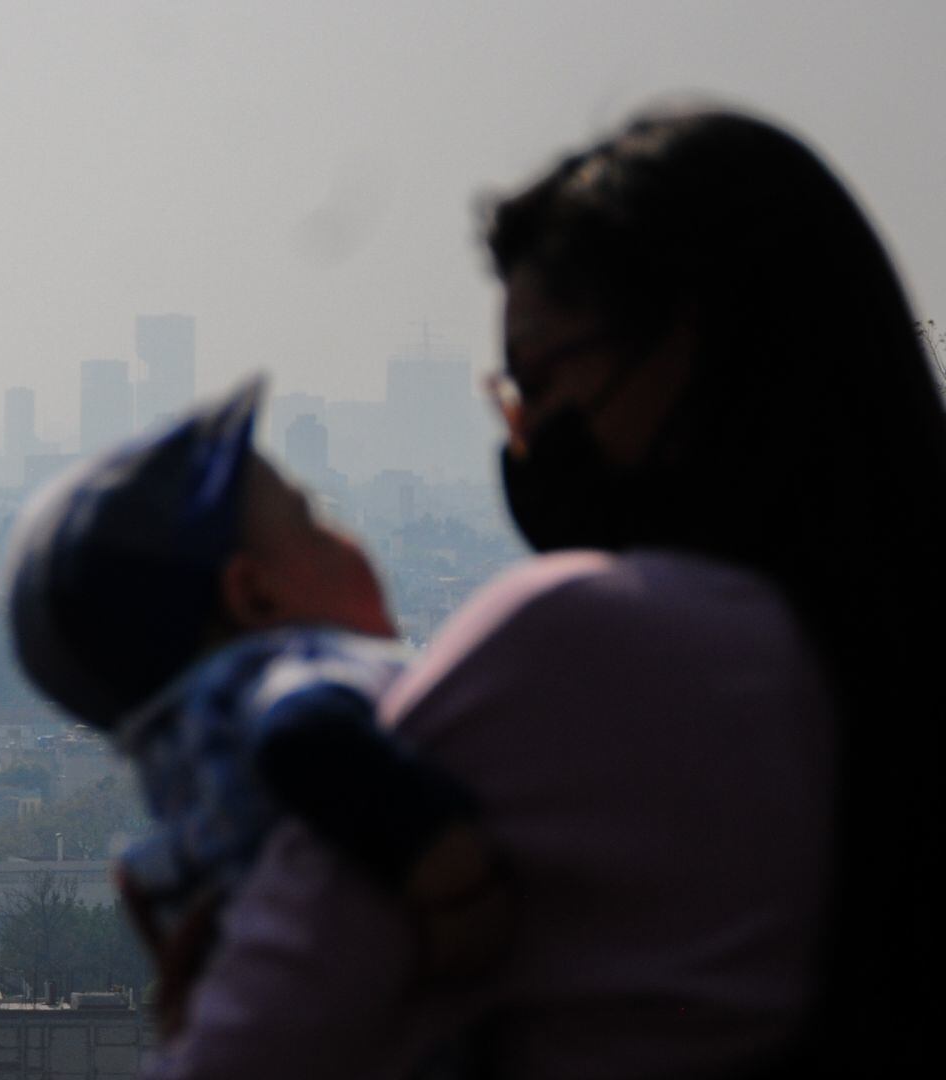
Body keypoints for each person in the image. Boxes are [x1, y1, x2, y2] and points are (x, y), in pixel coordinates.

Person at [148, 108, 944, 1078]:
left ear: (686, 346)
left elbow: (257, 1047)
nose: (525, 436)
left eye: (541, 379)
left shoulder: (586, 640)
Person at [4, 378, 510, 1029]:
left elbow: (140, 879)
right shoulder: (280, 672)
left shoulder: (183, 759)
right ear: (254, 595)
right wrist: (454, 882)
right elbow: (304, 735)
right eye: (314, 519)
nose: (345, 535)